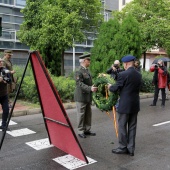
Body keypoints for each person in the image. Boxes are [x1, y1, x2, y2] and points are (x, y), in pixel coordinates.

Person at [108, 55, 142, 156]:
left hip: (124, 105)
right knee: (132, 127)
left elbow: (116, 88)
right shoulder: (138, 74)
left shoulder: (123, 74)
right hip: (135, 104)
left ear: (126, 64)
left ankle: (122, 147)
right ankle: (131, 148)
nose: (124, 65)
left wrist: (110, 87)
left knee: (122, 126)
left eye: (124, 64)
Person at [74, 53, 98, 138]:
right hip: (81, 96)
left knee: (88, 114)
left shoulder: (87, 70)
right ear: (84, 61)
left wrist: (94, 86)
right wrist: (90, 88)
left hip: (87, 96)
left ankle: (87, 129)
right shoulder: (78, 71)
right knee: (81, 114)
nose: (90, 62)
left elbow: (89, 82)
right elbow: (79, 83)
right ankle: (80, 131)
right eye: (89, 60)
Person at [0, 58, 11, 131]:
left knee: (6, 110)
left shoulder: (4, 70)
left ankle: (3, 125)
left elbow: (9, 80)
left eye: (1, 61)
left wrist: (5, 80)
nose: (1, 62)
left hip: (4, 94)